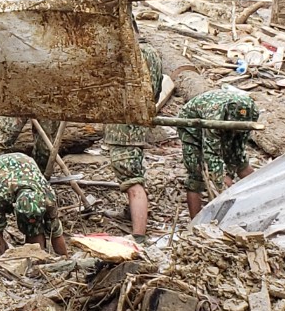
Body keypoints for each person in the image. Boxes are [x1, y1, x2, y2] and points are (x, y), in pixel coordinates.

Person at [0, 0, 58, 168]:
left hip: (47, 92)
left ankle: (41, 180)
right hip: (20, 91)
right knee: (6, 136)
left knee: (46, 143)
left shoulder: (52, 22)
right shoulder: (10, 19)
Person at [102, 41, 164, 243]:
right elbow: (157, 87)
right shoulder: (152, 53)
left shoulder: (129, 53)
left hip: (124, 126)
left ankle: (138, 236)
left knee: (131, 179)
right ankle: (132, 214)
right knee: (132, 172)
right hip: (138, 121)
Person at [179, 89, 260, 218]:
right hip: (193, 123)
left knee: (239, 161)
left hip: (222, 123)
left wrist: (235, 167)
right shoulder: (215, 116)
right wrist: (222, 179)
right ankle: (195, 222)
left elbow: (239, 146)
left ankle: (259, 195)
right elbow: (211, 154)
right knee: (197, 170)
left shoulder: (253, 112)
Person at [0, 153, 69, 255]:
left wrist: (65, 259)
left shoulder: (49, 198)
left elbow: (56, 233)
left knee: (33, 228)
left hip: (23, 166)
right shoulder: (0, 196)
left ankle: (35, 254)